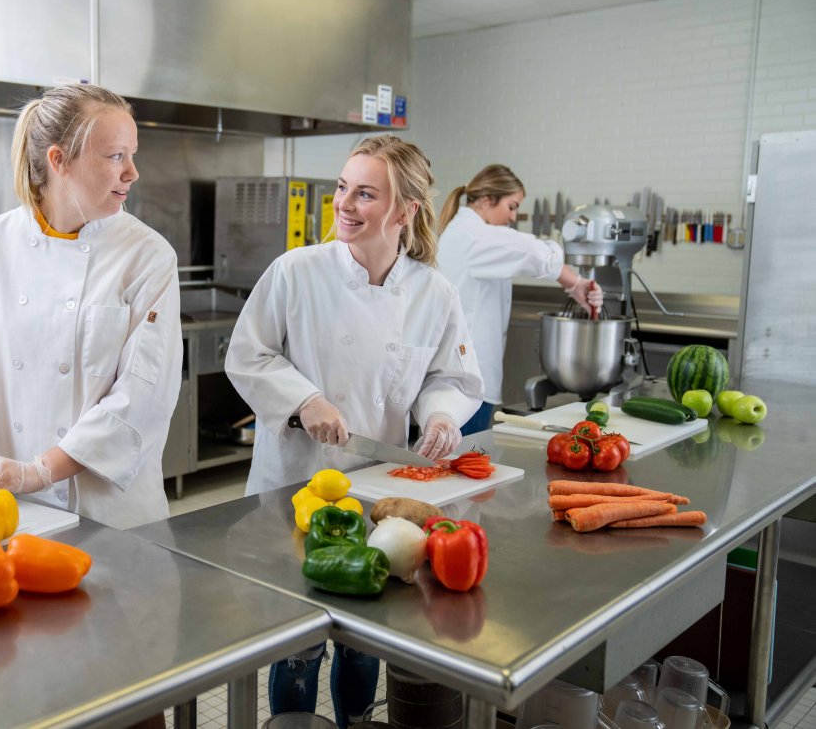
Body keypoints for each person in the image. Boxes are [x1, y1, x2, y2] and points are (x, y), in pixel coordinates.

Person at [225, 135, 484, 728]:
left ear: (405, 210)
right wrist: (304, 399)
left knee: (365, 637)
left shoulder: (432, 292)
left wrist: (441, 415)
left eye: (365, 193)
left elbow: (448, 377)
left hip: (377, 494)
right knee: (296, 640)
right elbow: (248, 356)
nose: (344, 203)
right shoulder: (296, 272)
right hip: (295, 489)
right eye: (343, 188)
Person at [0, 83, 182, 534]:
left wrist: (41, 470)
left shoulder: (147, 254)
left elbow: (144, 395)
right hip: (6, 504)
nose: (133, 173)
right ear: (60, 160)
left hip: (110, 514)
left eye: (132, 154)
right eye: (115, 156)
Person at [436, 165, 604, 435]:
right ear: (489, 199)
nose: (513, 216)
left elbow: (525, 255)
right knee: (458, 465)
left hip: (458, 377)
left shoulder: (464, 232)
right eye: (511, 206)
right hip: (465, 381)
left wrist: (575, 285)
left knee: (453, 465)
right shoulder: (475, 237)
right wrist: (575, 283)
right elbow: (536, 253)